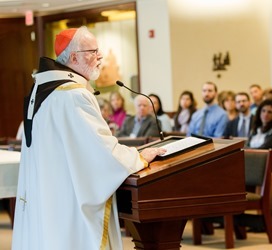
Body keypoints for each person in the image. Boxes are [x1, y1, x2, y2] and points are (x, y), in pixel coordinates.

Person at [12, 26, 166, 250]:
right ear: (74, 57)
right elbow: (102, 153)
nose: (100, 57)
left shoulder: (42, 90)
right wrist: (139, 157)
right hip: (68, 199)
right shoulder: (74, 95)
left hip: (49, 193)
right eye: (93, 51)